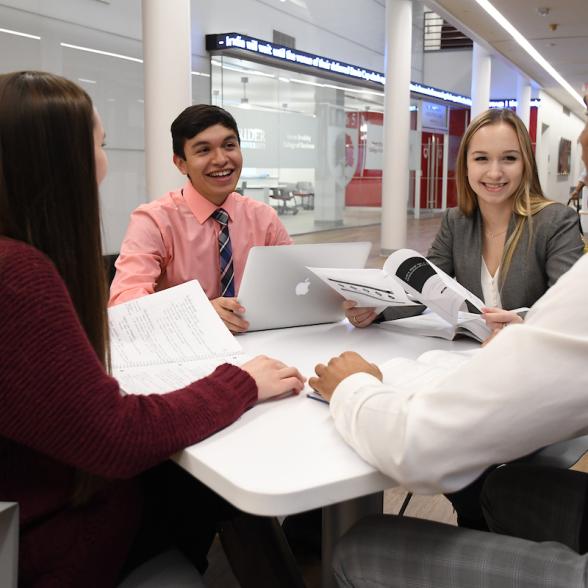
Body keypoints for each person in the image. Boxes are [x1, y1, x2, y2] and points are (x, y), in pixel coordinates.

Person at [0, 71, 307, 588]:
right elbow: (116, 432)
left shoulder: (259, 215)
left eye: (230, 145)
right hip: (56, 535)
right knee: (212, 487)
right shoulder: (21, 275)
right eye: (99, 144)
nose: (104, 160)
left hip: (51, 489)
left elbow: (296, 281)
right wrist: (241, 381)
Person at [309, 248, 588, 587]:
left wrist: (351, 385)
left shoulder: (554, 231)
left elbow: (421, 450)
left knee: (357, 549)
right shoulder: (458, 224)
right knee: (500, 488)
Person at [344, 108, 584, 332]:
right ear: (466, 166)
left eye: (509, 158)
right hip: (470, 358)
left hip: (528, 359)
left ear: (526, 165)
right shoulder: (456, 221)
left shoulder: (555, 221)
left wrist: (523, 324)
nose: (494, 172)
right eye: (481, 159)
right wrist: (375, 310)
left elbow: (570, 310)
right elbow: (423, 290)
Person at [109, 104, 292, 333]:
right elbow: (124, 304)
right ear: (180, 163)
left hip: (260, 338)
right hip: (187, 346)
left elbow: (297, 282)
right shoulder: (154, 221)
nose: (221, 159)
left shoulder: (264, 218)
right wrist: (198, 312)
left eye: (229, 145)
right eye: (204, 150)